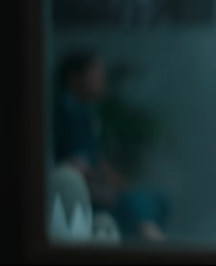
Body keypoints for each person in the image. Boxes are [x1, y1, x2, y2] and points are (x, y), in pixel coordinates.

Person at [54, 52, 171, 242]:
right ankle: (152, 240)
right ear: (74, 79)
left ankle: (147, 237)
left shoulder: (87, 112)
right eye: (95, 73)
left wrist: (120, 184)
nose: (102, 79)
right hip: (89, 198)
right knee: (133, 204)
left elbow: (98, 159)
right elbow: (75, 169)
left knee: (160, 200)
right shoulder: (64, 115)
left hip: (102, 191)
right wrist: (104, 191)